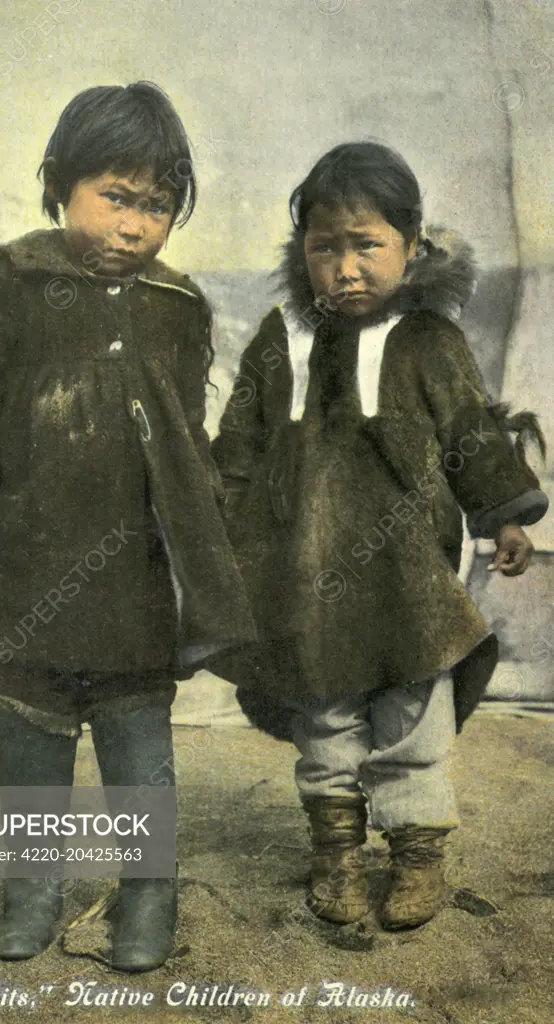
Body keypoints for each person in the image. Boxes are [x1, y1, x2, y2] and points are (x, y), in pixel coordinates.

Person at [0, 82, 254, 969]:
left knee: (137, 727)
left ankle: (149, 896)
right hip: (30, 551)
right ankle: (33, 889)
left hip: (140, 564)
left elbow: (186, 434)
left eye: (158, 206)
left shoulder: (177, 306)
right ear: (60, 184)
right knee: (29, 720)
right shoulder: (6, 284)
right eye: (116, 196)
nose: (134, 226)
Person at [211, 142, 548, 931]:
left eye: (367, 244)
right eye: (325, 246)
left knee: (410, 716)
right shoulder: (282, 338)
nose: (346, 267)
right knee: (324, 717)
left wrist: (502, 514)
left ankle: (418, 857)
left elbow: (470, 431)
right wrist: (222, 532)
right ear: (303, 251)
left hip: (407, 578)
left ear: (411, 243)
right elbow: (240, 443)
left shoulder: (430, 340)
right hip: (305, 577)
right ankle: (336, 857)